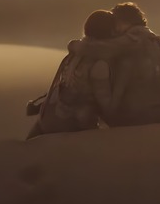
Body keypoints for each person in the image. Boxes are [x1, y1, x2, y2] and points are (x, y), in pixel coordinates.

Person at [68, 2, 160, 127]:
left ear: (122, 22)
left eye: (114, 23)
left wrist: (75, 46)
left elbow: (100, 49)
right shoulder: (155, 40)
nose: (113, 28)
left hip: (139, 116)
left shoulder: (133, 40)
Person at [26, 10, 116, 139]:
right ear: (110, 32)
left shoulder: (74, 54)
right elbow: (105, 101)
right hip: (73, 126)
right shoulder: (98, 62)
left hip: (50, 119)